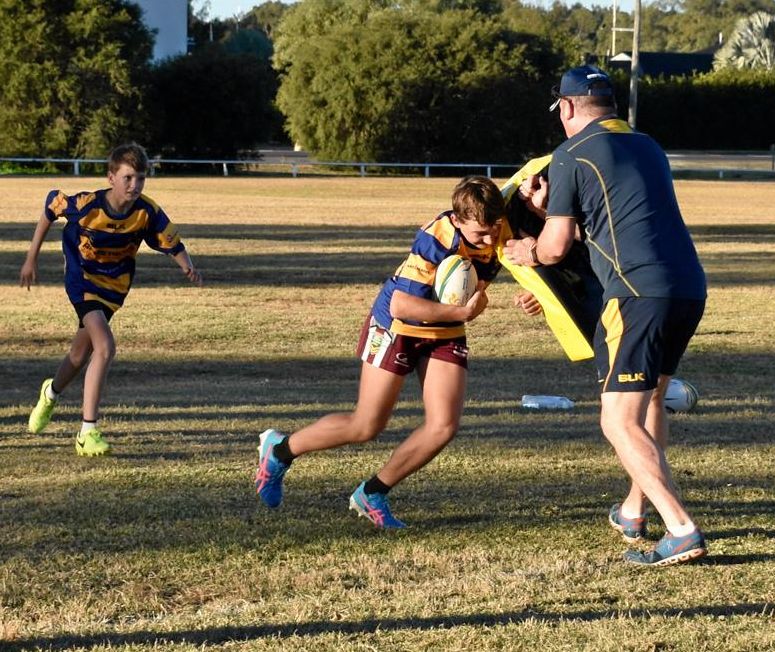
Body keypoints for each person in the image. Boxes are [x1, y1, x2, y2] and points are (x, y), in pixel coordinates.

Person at [503, 65, 709, 566]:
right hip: (687, 286)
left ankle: (680, 528)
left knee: (617, 420)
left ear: (568, 108)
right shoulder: (647, 145)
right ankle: (634, 510)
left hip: (636, 292)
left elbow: (555, 247)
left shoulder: (570, 154)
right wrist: (555, 203)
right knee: (652, 400)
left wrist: (527, 250)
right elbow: (612, 214)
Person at [254, 175, 503, 529]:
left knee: (443, 426)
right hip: (397, 327)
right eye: (481, 234)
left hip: (445, 328)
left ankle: (373, 492)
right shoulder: (435, 241)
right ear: (458, 219)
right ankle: (279, 451)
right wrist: (462, 313)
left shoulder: (499, 222)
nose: (491, 239)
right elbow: (403, 305)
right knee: (366, 425)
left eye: (494, 229)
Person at [20, 143, 202, 456]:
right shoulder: (86, 204)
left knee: (80, 354)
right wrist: (30, 258)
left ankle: (50, 393)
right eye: (129, 177)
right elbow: (51, 205)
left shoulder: (146, 211)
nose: (135, 185)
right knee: (105, 346)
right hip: (82, 280)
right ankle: (87, 431)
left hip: (114, 288)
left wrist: (187, 266)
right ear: (111, 177)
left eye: (141, 178)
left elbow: (172, 242)